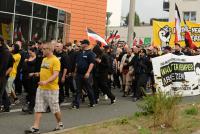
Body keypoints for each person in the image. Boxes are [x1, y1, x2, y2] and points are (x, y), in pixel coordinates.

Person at [25, 42, 63, 134]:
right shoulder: (44, 59)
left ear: (50, 50)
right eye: (42, 49)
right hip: (41, 88)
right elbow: (44, 72)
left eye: (44, 49)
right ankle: (36, 127)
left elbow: (55, 75)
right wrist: (36, 74)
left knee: (55, 109)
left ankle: (60, 123)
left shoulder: (55, 60)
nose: (42, 50)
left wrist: (46, 81)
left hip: (52, 89)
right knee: (38, 108)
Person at [72, 39, 95, 109]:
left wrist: (88, 73)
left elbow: (91, 64)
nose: (81, 45)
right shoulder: (79, 53)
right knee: (78, 89)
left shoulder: (91, 53)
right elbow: (76, 63)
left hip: (86, 74)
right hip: (79, 74)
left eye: (82, 43)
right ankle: (76, 104)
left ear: (86, 44)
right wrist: (75, 72)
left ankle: (92, 102)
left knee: (89, 89)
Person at [0, 37, 13, 112]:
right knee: (2, 91)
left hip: (3, 74)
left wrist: (4, 75)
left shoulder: (5, 52)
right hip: (3, 74)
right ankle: (7, 105)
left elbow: (4, 66)